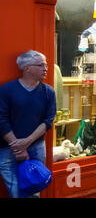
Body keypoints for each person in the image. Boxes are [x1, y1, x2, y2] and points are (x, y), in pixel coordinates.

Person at [0, 50, 56, 197]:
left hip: (36, 147)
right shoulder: (6, 90)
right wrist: (18, 146)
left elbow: (48, 120)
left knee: (34, 188)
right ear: (27, 68)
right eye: (41, 65)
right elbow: (1, 119)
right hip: (7, 148)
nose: (46, 69)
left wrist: (27, 142)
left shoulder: (49, 92)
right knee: (16, 192)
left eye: (46, 65)